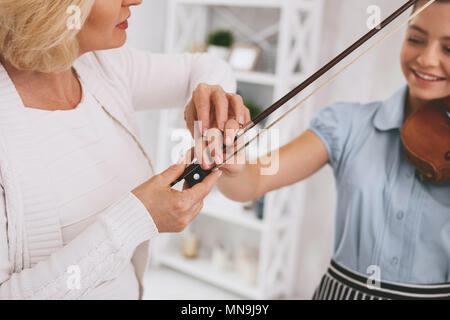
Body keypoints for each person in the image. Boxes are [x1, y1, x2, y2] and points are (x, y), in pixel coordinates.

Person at [0, 0, 249, 299]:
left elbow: (208, 66)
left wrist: (211, 99)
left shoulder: (101, 66)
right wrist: (135, 220)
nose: (135, 0)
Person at [204, 0, 450, 299]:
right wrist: (233, 166)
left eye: (448, 49)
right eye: (415, 39)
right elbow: (254, 181)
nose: (426, 58)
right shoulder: (347, 123)